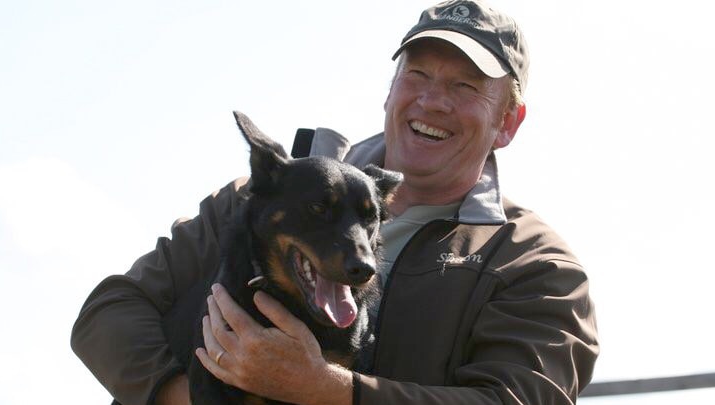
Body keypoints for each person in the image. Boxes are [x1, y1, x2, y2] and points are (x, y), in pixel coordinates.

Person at [71, 1, 599, 404]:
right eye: (417, 74)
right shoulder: (253, 200)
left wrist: (325, 389)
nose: (432, 100)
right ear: (391, 88)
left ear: (508, 121)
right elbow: (107, 315)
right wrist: (194, 396)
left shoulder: (534, 265)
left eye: (465, 85)